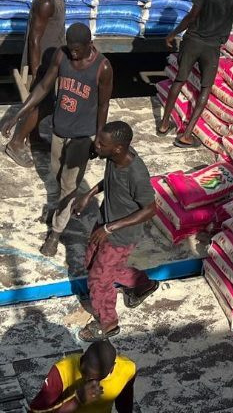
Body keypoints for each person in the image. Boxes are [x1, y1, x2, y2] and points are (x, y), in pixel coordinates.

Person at [1, 23, 113, 257]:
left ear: (90, 45)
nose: (74, 54)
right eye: (70, 48)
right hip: (59, 130)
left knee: (69, 186)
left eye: (78, 50)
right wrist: (17, 117)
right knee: (58, 175)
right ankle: (60, 210)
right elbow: (43, 86)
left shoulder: (102, 67)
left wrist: (99, 137)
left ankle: (56, 232)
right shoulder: (61, 56)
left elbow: (103, 104)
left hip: (82, 136)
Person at [71, 121, 159, 342]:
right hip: (105, 224)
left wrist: (109, 228)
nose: (96, 145)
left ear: (118, 148)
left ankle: (107, 323)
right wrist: (89, 194)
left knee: (98, 279)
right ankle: (143, 285)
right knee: (93, 263)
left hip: (120, 236)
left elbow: (150, 209)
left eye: (102, 144)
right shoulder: (114, 158)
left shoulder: (136, 174)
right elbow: (110, 180)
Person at [156, 0, 233, 149]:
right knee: (205, 88)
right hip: (212, 48)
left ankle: (164, 124)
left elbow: (191, 16)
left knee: (179, 80)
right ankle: (186, 135)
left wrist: (173, 34)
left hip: (192, 41)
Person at [4, 0, 74, 168]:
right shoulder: (46, 2)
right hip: (42, 63)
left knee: (44, 103)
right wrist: (36, 73)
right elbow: (34, 40)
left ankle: (33, 138)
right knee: (44, 103)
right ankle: (16, 143)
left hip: (51, 59)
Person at [29, 340, 135, 413]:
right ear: (83, 357)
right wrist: (77, 400)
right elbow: (36, 411)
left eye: (95, 378)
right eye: (84, 372)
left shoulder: (127, 370)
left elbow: (124, 404)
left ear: (112, 368)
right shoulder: (61, 371)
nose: (87, 379)